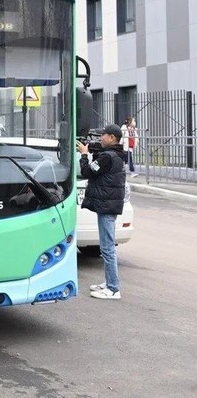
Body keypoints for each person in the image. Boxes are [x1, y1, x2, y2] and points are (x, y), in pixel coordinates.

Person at [77, 124, 127, 300]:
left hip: (107, 206)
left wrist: (84, 154)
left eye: (103, 135)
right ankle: (109, 282)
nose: (100, 138)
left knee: (107, 248)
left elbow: (86, 172)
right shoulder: (116, 155)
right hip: (109, 205)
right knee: (107, 247)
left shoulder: (107, 157)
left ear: (112, 137)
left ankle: (113, 288)